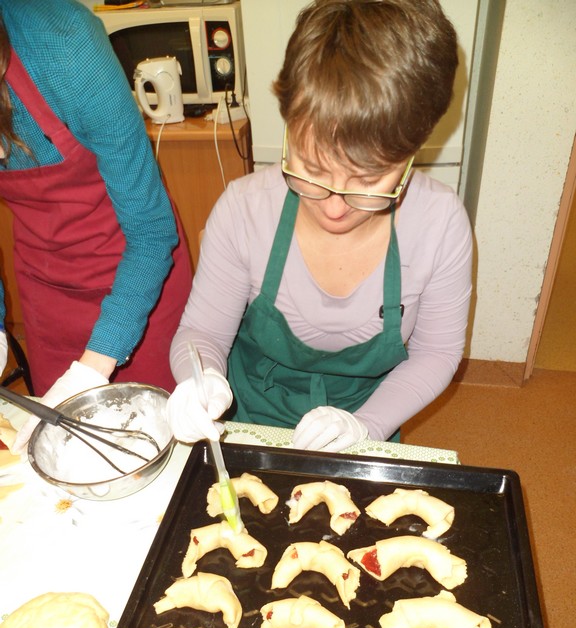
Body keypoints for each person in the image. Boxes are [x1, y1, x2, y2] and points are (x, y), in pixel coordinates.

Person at [167, 0, 472, 453]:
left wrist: (365, 425)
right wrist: (201, 379)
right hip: (246, 421)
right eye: (311, 169)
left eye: (367, 180)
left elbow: (436, 353)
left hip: (365, 422)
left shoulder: (440, 224)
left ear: (411, 154)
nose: (333, 207)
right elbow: (203, 332)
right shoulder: (244, 209)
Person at [0, 0, 192, 449]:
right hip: (48, 290)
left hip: (140, 273)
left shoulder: (65, 45)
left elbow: (150, 231)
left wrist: (94, 366)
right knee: (65, 451)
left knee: (157, 442)